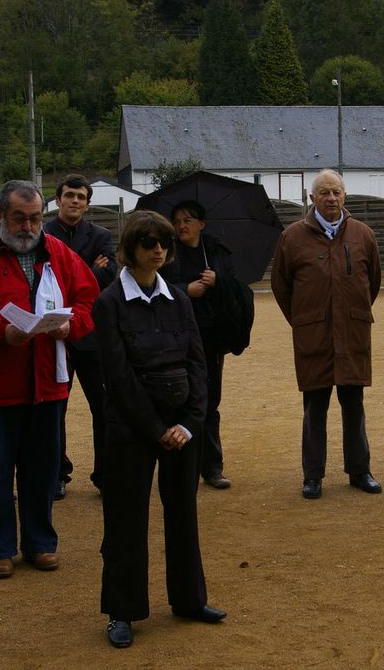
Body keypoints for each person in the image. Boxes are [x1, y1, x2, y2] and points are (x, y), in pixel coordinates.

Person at [0, 180, 99, 579]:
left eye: (34, 218)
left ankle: (41, 543)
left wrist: (71, 324)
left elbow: (89, 298)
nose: (28, 227)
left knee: (41, 468)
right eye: (19, 218)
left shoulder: (57, 252)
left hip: (47, 382)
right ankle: (0, 548)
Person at [93, 210, 226, 648]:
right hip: (132, 427)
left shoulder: (179, 298)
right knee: (126, 519)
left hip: (181, 424)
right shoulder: (109, 303)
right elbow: (117, 375)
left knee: (183, 514)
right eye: (148, 241)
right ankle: (122, 611)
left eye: (163, 242)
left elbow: (197, 364)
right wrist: (155, 428)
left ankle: (189, 600)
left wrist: (189, 422)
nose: (158, 249)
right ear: (130, 248)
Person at [271, 169, 383, 500]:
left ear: (344, 196)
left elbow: (372, 282)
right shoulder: (292, 237)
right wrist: (304, 319)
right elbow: (281, 286)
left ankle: (359, 470)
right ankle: (313, 475)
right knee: (314, 406)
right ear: (312, 199)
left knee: (354, 404)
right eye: (324, 193)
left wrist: (352, 311)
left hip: (352, 331)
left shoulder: (363, 234)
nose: (331, 198)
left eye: (336, 192)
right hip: (313, 334)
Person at [43, 174, 117, 497]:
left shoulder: (101, 234)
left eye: (81, 197)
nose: (75, 201)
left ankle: (105, 473)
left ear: (88, 204)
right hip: (52, 335)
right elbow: (44, 278)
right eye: (69, 195)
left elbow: (109, 275)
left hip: (90, 335)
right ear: (57, 200)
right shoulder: (43, 233)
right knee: (53, 409)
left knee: (103, 407)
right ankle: (57, 472)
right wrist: (90, 270)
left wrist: (77, 277)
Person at [159, 199, 237, 489]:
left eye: (188, 220)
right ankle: (183, 466)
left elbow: (237, 287)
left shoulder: (216, 251)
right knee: (181, 401)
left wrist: (219, 280)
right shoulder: (165, 252)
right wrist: (184, 290)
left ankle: (212, 467)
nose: (182, 226)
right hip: (176, 338)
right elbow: (153, 286)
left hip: (211, 336)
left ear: (201, 224)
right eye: (177, 221)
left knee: (210, 402)